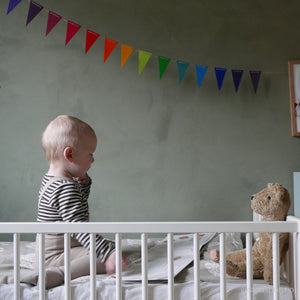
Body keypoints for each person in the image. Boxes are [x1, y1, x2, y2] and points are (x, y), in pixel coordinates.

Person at [36, 115, 127, 289]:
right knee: (105, 256)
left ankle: (102, 254)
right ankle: (59, 274)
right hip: (57, 256)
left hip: (54, 252)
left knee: (113, 249)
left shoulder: (52, 180)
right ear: (70, 154)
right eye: (90, 154)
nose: (93, 160)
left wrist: (84, 183)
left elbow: (77, 204)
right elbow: (79, 227)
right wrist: (107, 254)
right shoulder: (64, 187)